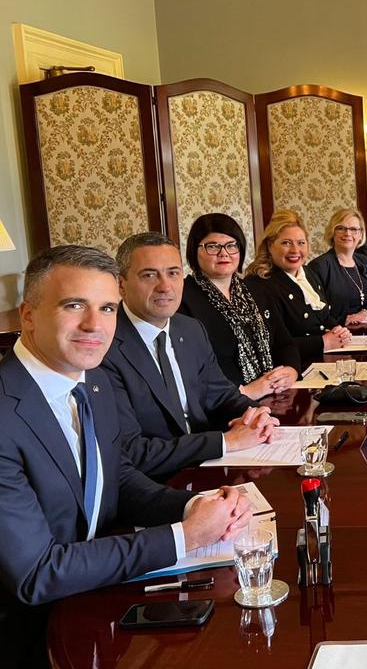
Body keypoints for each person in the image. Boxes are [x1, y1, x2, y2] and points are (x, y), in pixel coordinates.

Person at [0, 245, 251, 668]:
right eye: (74, 305)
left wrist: (195, 507)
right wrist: (184, 537)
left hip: (98, 601)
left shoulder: (91, 382)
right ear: (27, 315)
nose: (94, 325)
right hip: (30, 635)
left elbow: (115, 476)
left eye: (108, 308)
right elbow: (37, 574)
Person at [102, 232, 280, 480]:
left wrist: (255, 415)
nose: (165, 286)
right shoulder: (104, 346)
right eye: (149, 275)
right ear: (121, 284)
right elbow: (132, 451)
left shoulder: (190, 329)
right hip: (156, 483)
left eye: (173, 273)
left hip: (211, 468)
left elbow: (221, 396)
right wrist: (224, 442)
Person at [178, 213, 300, 399]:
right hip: (227, 404)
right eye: (212, 246)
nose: (224, 253)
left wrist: (291, 372)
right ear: (194, 250)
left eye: (231, 245)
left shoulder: (257, 290)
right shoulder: (183, 300)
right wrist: (248, 391)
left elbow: (285, 343)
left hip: (276, 395)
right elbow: (192, 369)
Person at [244, 210, 352, 367]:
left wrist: (339, 331)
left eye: (301, 243)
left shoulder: (308, 273)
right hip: (292, 369)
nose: (295, 250)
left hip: (323, 360)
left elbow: (323, 316)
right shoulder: (258, 284)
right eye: (286, 243)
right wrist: (322, 342)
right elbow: (270, 345)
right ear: (269, 245)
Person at [309, 207, 367, 326]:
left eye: (354, 229)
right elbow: (317, 311)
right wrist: (345, 319)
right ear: (332, 232)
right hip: (338, 333)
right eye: (341, 228)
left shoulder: (363, 261)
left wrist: (366, 313)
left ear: (361, 235)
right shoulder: (320, 266)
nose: (347, 233)